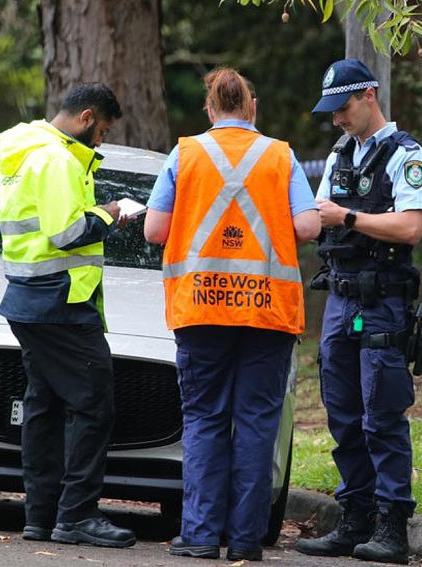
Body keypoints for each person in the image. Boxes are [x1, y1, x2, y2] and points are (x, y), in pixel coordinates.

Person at [144, 68, 320, 562]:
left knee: (204, 420)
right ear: (252, 108)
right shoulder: (280, 156)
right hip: (267, 311)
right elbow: (307, 226)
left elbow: (155, 231)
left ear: (209, 109)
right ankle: (245, 539)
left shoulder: (185, 154)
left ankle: (199, 536)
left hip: (200, 309)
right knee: (258, 422)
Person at [294, 58, 422, 565]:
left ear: (369, 95)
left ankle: (392, 527)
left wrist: (348, 215)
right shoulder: (338, 156)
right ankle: (354, 519)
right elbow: (315, 218)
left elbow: (412, 227)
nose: (337, 119)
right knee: (344, 412)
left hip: (383, 303)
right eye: (331, 112)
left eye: (343, 107)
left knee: (383, 413)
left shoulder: (406, 156)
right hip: (340, 298)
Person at [0, 83, 136, 548]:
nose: (100, 142)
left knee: (45, 405)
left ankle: (40, 515)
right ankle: (76, 516)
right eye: (102, 131)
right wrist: (110, 212)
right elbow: (67, 232)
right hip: (62, 301)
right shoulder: (55, 160)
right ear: (86, 116)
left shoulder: (24, 153)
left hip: (30, 297)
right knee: (94, 404)